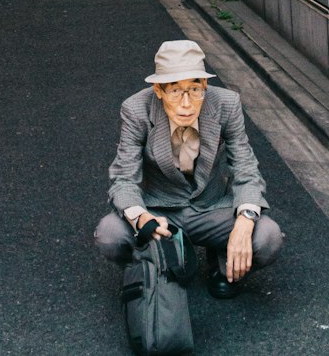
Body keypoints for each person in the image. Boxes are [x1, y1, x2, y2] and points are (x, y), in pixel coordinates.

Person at [94, 40, 283, 299]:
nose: (186, 103)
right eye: (174, 91)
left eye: (194, 89)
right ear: (158, 91)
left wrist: (245, 220)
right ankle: (149, 273)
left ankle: (226, 268)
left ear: (205, 86)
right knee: (110, 234)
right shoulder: (136, 109)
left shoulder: (226, 104)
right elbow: (124, 177)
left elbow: (245, 167)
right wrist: (141, 218)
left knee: (268, 237)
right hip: (159, 211)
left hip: (213, 207)